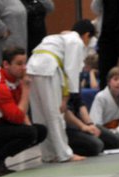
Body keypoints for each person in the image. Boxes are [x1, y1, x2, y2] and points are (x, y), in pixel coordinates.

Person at [0, 46, 48, 177]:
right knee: (29, 133)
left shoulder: (15, 80)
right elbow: (17, 118)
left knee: (40, 131)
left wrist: (31, 131)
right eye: (19, 64)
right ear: (6, 64)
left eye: (25, 63)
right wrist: (26, 89)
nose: (24, 68)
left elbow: (20, 112)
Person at [27, 20, 95, 163]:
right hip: (48, 69)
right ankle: (65, 154)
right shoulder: (76, 41)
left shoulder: (58, 37)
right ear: (86, 35)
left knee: (40, 115)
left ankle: (48, 154)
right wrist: (66, 97)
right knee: (55, 114)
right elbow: (71, 70)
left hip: (32, 67)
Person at [64, 87, 119, 156]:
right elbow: (64, 111)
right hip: (66, 128)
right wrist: (82, 126)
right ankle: (68, 150)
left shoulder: (75, 82)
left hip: (80, 124)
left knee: (115, 142)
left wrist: (90, 124)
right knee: (97, 145)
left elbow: (80, 104)